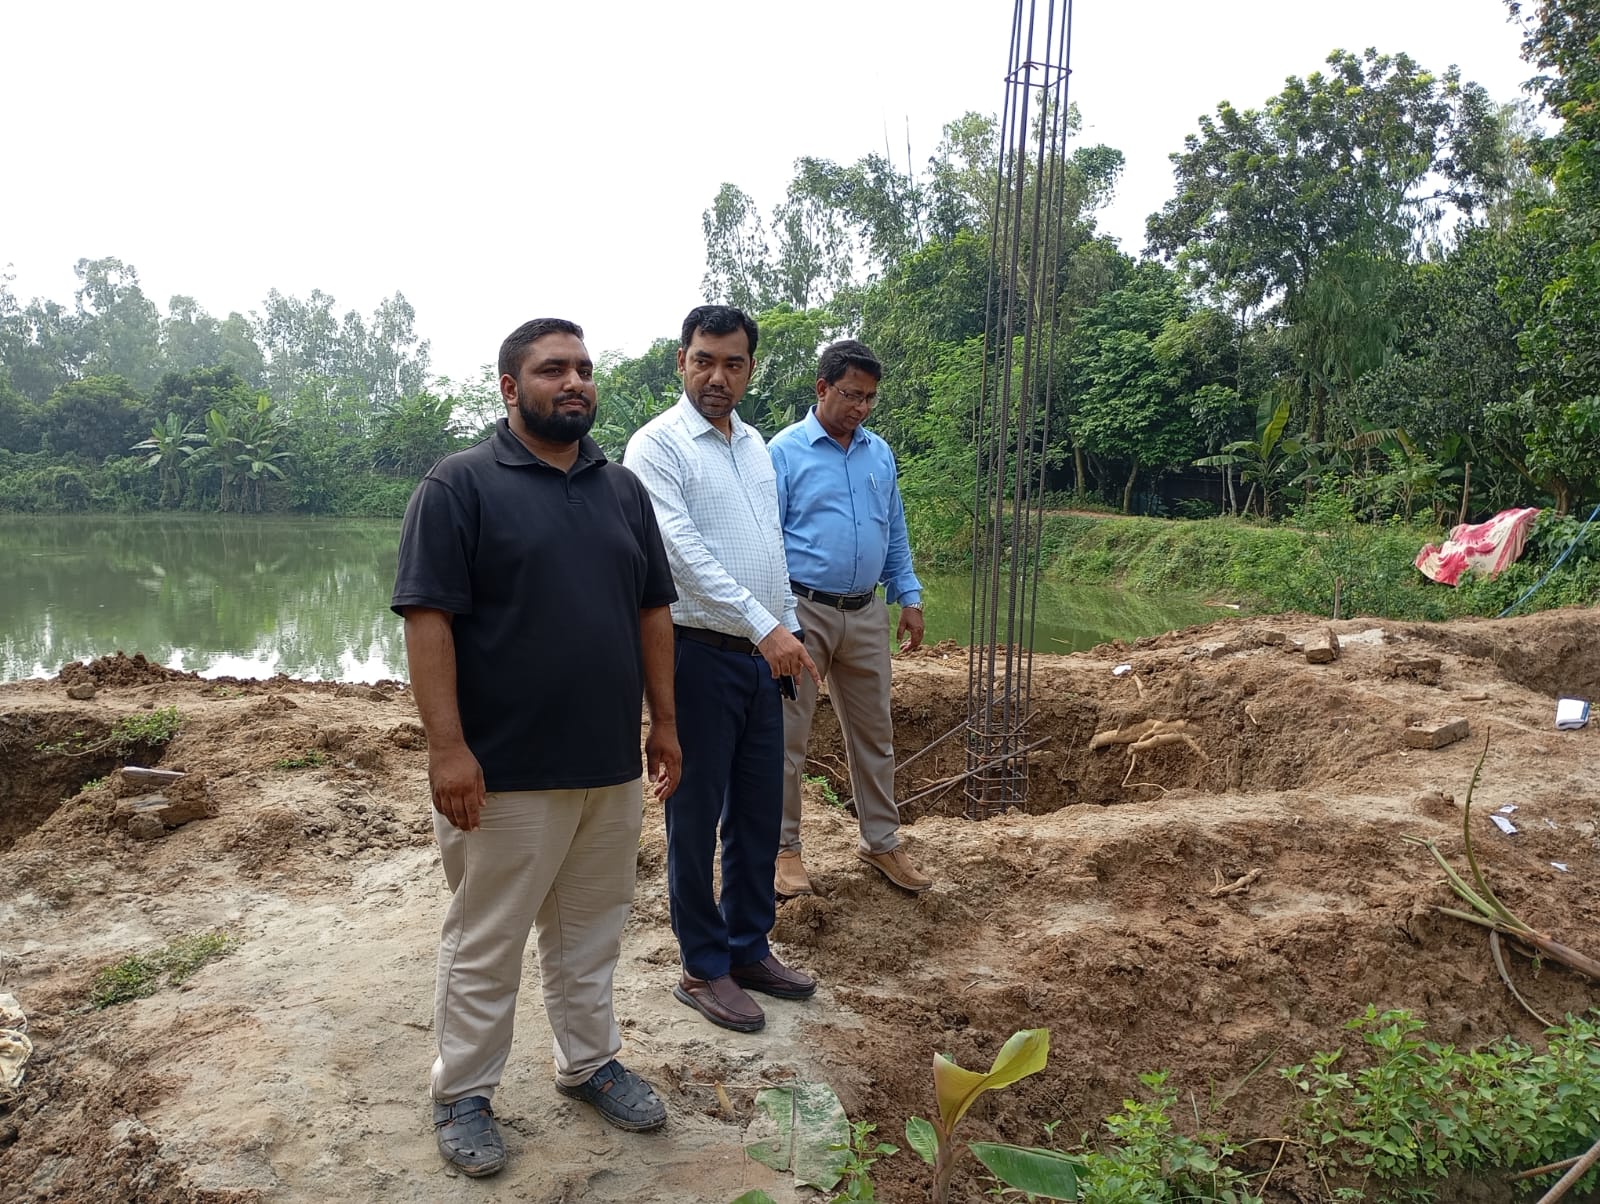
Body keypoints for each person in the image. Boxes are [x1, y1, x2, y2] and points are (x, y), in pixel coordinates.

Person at [392, 318, 678, 1178]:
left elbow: (652, 611)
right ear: (511, 388)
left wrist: (663, 723)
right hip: (504, 770)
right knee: (487, 939)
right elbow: (428, 620)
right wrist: (448, 749)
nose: (575, 381)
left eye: (584, 367)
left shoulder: (622, 490)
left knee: (591, 932)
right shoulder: (459, 485)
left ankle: (589, 1064)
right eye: (554, 369)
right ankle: (462, 1093)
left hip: (607, 765)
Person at [624, 304, 822, 1034]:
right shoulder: (658, 446)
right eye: (704, 360)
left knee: (756, 812)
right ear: (681, 361)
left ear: (750, 369)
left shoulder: (754, 444)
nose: (717, 376)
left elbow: (770, 544)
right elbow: (679, 555)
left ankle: (747, 946)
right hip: (696, 654)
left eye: (733, 363)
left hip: (760, 659)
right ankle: (702, 966)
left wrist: (787, 625)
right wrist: (766, 626)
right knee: (695, 815)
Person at [767, 339, 932, 897]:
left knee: (875, 734)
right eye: (851, 395)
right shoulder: (784, 452)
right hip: (803, 610)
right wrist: (779, 621)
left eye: (869, 398)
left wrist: (908, 595)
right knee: (788, 737)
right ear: (822, 388)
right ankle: (784, 849)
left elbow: (894, 529)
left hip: (865, 613)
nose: (861, 407)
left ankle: (881, 842)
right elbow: (769, 540)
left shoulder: (878, 453)